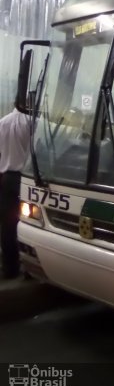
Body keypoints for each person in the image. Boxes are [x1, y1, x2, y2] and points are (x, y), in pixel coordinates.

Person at [0, 103, 31, 279]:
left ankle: (9, 268)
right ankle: (28, 267)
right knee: (28, 223)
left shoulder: (2, 122)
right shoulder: (33, 122)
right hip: (26, 179)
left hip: (7, 178)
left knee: (8, 225)